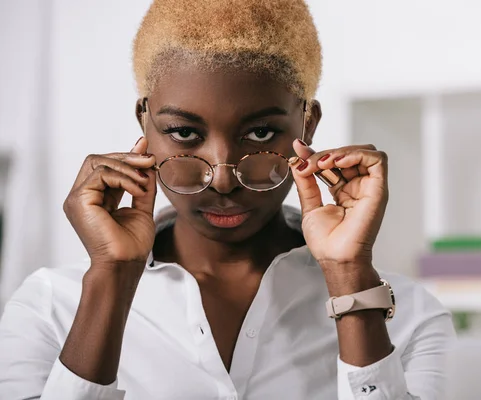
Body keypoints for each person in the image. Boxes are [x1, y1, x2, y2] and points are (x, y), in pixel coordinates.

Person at [0, 0, 455, 399]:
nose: (221, 179)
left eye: (259, 133)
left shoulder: (410, 316)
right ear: (145, 122)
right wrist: (111, 279)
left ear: (307, 124)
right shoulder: (48, 307)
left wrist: (349, 274)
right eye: (183, 133)